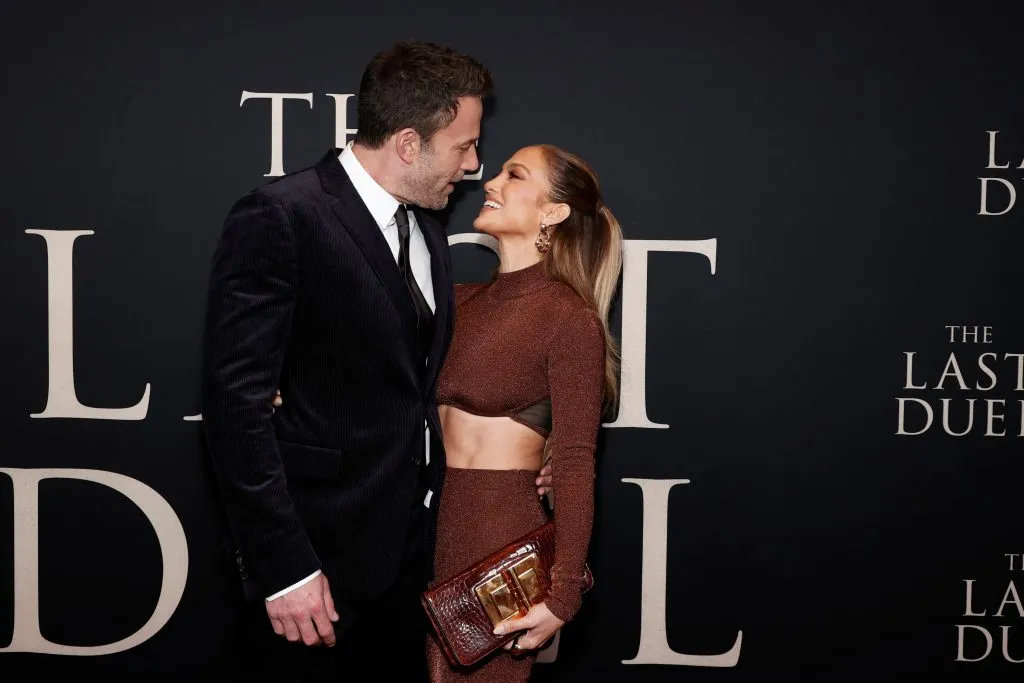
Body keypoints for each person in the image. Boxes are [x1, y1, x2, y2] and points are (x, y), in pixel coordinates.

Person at [200, 40, 550, 681]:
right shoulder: (283, 216)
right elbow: (234, 408)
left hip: (411, 562)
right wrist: (285, 567)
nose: (475, 166)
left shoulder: (426, 227)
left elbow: (424, 380)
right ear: (409, 144)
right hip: (316, 570)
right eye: (464, 147)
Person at [426, 143, 623, 681]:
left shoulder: (569, 318)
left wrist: (561, 599)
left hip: (496, 535)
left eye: (515, 175)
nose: (490, 182)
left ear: (553, 211)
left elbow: (579, 464)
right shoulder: (458, 301)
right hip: (423, 528)